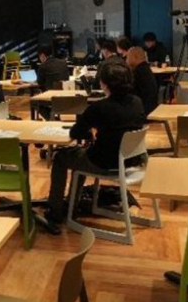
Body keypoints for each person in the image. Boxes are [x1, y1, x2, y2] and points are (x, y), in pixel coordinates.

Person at [45, 63, 145, 233]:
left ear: (103, 83)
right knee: (78, 159)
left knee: (61, 157)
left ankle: (55, 211)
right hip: (131, 161)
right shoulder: (137, 102)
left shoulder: (99, 107)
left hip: (104, 163)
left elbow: (76, 132)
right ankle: (72, 204)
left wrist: (90, 133)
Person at [125, 47, 159, 116]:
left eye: (127, 57)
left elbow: (129, 92)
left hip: (142, 111)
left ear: (135, 57)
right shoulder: (145, 69)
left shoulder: (139, 72)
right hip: (150, 108)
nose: (126, 60)